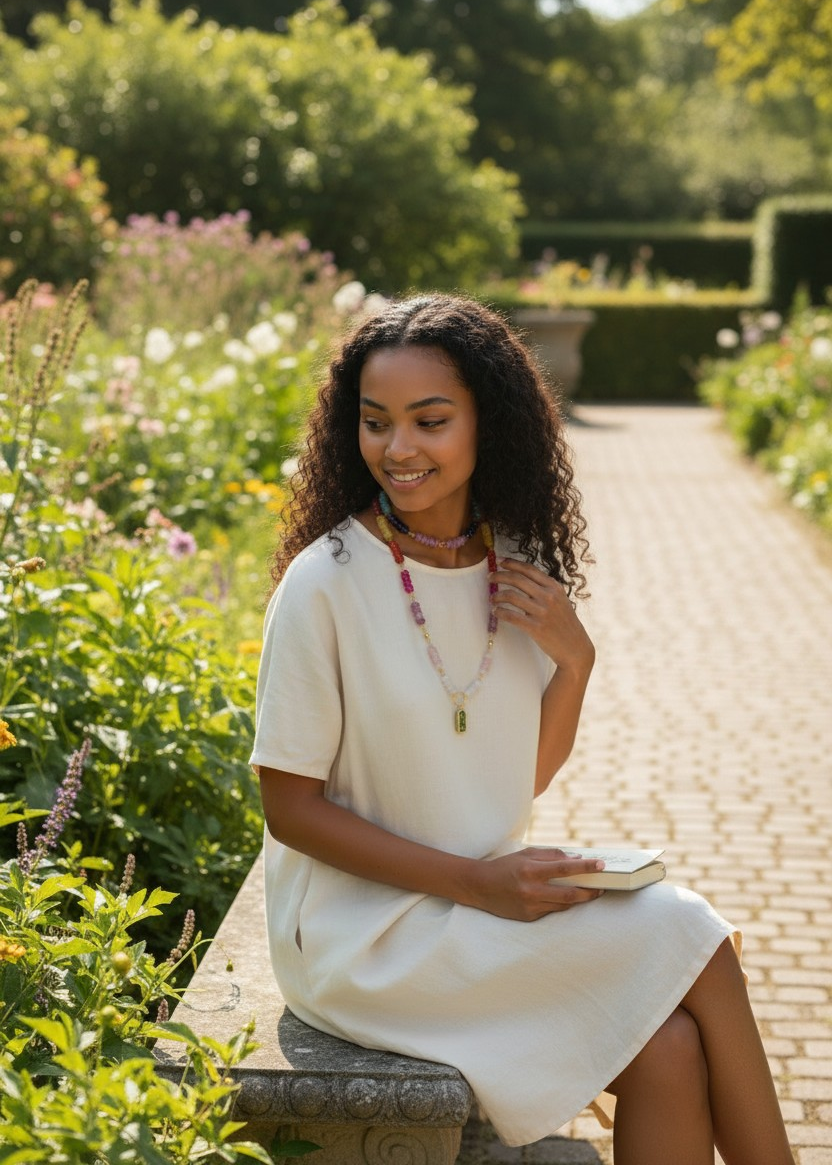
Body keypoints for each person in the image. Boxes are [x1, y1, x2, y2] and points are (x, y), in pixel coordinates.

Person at [251, 294, 794, 1165]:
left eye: (430, 421)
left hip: (476, 906)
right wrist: (476, 883)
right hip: (362, 938)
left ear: (488, 424)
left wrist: (575, 663)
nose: (399, 448)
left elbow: (512, 780)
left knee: (670, 1050)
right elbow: (290, 811)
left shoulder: (517, 571)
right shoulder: (323, 585)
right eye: (377, 421)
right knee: (695, 939)